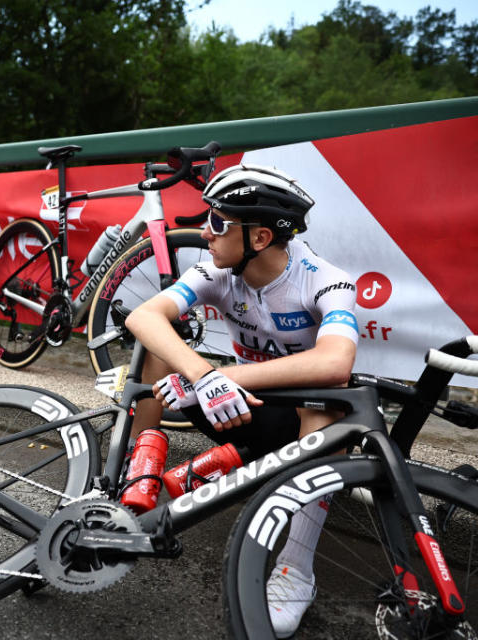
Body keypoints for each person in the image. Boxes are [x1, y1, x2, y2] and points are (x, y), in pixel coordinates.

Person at [124, 163, 358, 638]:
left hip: (298, 425)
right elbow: (144, 317)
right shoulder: (216, 269)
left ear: (258, 237)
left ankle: (296, 569)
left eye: (217, 222)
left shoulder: (327, 280)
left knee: (329, 401)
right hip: (233, 408)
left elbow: (336, 360)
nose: (204, 233)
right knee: (157, 341)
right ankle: (140, 469)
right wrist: (202, 376)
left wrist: (222, 375)